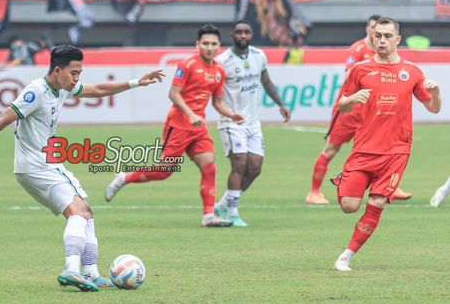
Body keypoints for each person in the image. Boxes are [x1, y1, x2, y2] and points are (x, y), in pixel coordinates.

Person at [0, 45, 163, 292]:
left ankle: (91, 273)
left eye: (79, 73)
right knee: (78, 213)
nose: (77, 78)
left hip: (37, 167)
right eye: (74, 73)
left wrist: (137, 82)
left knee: (86, 212)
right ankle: (72, 270)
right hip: (39, 166)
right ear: (57, 70)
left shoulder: (61, 89)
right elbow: (3, 118)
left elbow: (97, 89)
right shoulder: (37, 91)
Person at [104, 24, 242, 228]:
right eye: (205, 43)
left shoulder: (219, 71)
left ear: (219, 46)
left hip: (198, 128)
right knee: (164, 171)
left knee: (209, 167)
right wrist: (190, 114)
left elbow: (217, 102)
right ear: (197, 44)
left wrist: (232, 114)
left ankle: (208, 216)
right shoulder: (187, 65)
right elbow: (173, 93)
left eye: (213, 44)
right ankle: (125, 177)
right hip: (178, 125)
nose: (209, 48)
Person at [332, 17, 441, 272]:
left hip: (396, 151)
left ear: (397, 39)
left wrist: (435, 93)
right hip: (364, 148)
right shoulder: (360, 69)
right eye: (377, 36)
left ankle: (346, 256)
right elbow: (343, 105)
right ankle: (343, 178)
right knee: (349, 206)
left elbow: (434, 109)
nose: (381, 40)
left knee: (378, 203)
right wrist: (352, 99)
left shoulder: (412, 72)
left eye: (387, 36)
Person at [306, 15, 412, 204]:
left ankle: (388, 187)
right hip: (350, 111)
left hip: (371, 113)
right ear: (368, 30)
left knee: (385, 148)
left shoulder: (386, 53)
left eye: (381, 31)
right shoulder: (357, 50)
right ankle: (314, 192)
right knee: (331, 149)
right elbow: (350, 76)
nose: (376, 34)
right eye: (373, 29)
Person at [213, 20, 291, 227]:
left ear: (251, 34)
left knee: (255, 168)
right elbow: (216, 95)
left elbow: (266, 81)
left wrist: (281, 104)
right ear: (232, 35)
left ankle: (222, 204)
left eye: (246, 32)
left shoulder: (259, 56)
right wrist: (229, 114)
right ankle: (232, 212)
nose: (242, 36)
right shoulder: (222, 61)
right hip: (231, 122)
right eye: (238, 32)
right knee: (239, 163)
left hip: (253, 123)